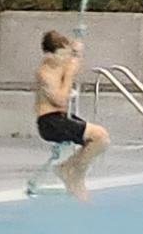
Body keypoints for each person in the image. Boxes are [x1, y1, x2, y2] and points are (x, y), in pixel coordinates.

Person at [34, 30, 109, 202]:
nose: (64, 59)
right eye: (61, 55)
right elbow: (60, 100)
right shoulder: (44, 73)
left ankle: (70, 170)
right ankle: (71, 172)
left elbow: (72, 64)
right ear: (49, 54)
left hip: (61, 117)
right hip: (50, 122)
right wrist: (69, 74)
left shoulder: (57, 65)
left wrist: (76, 53)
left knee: (101, 140)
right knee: (100, 136)